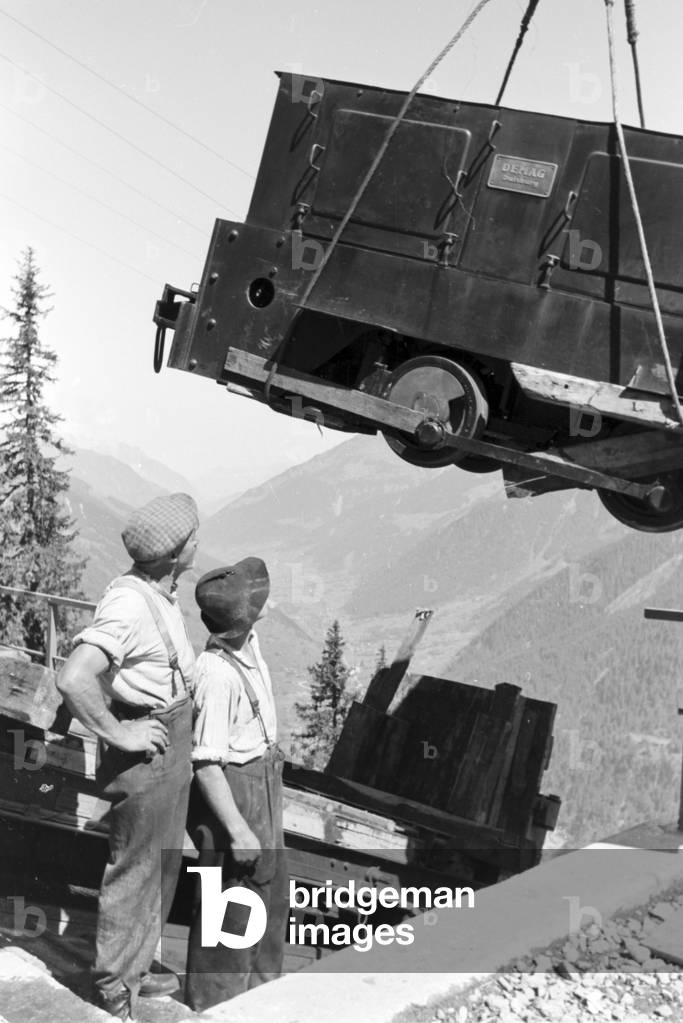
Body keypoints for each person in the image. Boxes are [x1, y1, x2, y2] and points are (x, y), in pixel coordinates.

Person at [57, 492, 199, 1022]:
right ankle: (115, 985)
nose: (197, 546)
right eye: (192, 541)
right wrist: (121, 734)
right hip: (150, 748)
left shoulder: (158, 588)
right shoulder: (129, 605)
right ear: (170, 555)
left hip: (171, 737)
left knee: (161, 863)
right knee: (135, 867)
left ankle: (136, 964)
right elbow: (74, 677)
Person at [185, 557, 288, 1012]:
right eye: (256, 598)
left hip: (263, 784)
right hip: (235, 795)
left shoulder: (247, 645)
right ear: (241, 618)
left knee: (267, 908)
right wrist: (239, 831)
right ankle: (214, 1008)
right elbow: (207, 764)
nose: (264, 598)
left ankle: (260, 1006)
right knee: (228, 919)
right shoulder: (217, 675)